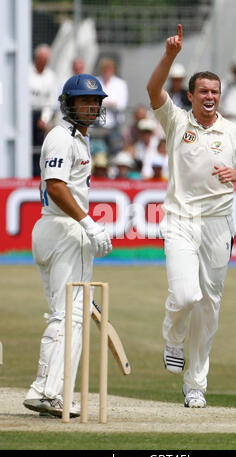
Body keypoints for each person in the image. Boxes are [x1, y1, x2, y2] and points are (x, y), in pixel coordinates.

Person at [147, 25, 236, 409]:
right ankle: (172, 338)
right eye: (204, 91)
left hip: (218, 226)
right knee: (184, 295)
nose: (210, 97)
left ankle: (195, 383)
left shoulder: (233, 134)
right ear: (192, 96)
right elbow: (153, 91)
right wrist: (170, 56)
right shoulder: (177, 122)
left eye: (215, 92)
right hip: (181, 220)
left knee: (208, 304)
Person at [23, 73, 112, 418]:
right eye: (84, 101)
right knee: (69, 316)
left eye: (95, 102)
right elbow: (57, 186)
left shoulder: (79, 139)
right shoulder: (61, 137)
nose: (91, 107)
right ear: (68, 104)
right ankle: (46, 390)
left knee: (68, 314)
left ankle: (53, 391)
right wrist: (88, 224)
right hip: (63, 232)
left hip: (54, 229)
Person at [30, 44, 57, 176]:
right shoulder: (26, 72)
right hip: (26, 114)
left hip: (40, 115)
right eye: (42, 59)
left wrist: (45, 118)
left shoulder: (50, 76)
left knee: (39, 146)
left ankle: (37, 173)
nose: (44, 62)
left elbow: (50, 100)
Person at [95, 57, 128, 155]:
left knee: (114, 152)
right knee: (97, 153)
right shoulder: (96, 81)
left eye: (109, 68)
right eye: (105, 68)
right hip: (97, 125)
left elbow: (121, 105)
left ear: (113, 69)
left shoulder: (120, 84)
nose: (107, 71)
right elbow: (93, 102)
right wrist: (111, 103)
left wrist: (102, 102)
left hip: (114, 126)